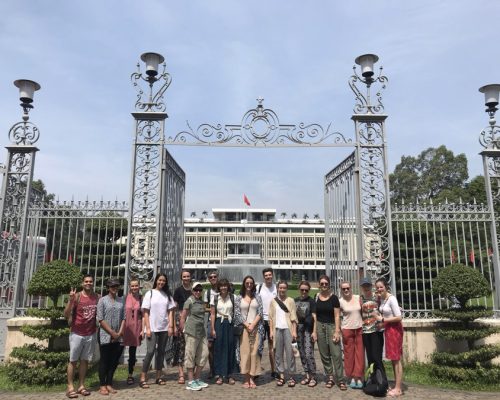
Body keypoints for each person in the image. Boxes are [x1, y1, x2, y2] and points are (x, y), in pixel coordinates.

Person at [64, 274, 99, 399]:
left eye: (90, 281)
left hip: (90, 334)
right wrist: (70, 300)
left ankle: (81, 386)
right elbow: (66, 314)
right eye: (86, 281)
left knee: (84, 361)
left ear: (93, 283)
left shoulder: (96, 297)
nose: (88, 283)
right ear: (82, 283)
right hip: (76, 333)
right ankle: (70, 387)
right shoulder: (77, 296)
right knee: (73, 361)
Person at [139, 273, 176, 388]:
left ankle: (158, 377)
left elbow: (170, 312)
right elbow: (145, 312)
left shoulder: (167, 295)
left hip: (164, 327)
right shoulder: (149, 293)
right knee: (150, 352)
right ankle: (143, 377)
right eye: (159, 280)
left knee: (161, 353)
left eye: (163, 281)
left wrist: (170, 326)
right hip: (152, 328)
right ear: (156, 281)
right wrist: (148, 328)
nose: (161, 282)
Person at [315, 275, 346, 391]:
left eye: (326, 284)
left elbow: (337, 315)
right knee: (324, 354)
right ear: (319, 285)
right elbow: (315, 315)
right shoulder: (316, 297)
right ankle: (330, 377)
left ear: (329, 285)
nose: (324, 285)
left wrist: (337, 331)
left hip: (332, 326)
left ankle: (340, 379)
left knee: (336, 354)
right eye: (322, 283)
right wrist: (315, 331)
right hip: (319, 326)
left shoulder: (334, 298)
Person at [375, 277, 404, 397]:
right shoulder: (382, 299)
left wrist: (382, 319)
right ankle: (396, 385)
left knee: (396, 359)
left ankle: (398, 388)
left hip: (395, 330)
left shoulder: (392, 299)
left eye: (381, 287)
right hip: (388, 330)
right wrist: (382, 323)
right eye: (377, 287)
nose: (379, 289)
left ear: (386, 286)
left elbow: (398, 317)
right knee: (393, 359)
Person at [234, 275, 265, 388]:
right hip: (244, 329)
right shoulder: (239, 297)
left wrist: (253, 325)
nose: (249, 285)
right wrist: (247, 325)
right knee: (245, 353)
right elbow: (237, 314)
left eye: (251, 283)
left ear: (253, 285)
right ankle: (246, 378)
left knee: (254, 353)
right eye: (247, 283)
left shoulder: (258, 297)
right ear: (244, 284)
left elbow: (260, 312)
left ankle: (252, 377)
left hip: (256, 328)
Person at [97, 278, 125, 395]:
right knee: (104, 360)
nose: (114, 288)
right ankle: (102, 385)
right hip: (105, 335)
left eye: (116, 286)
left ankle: (109, 383)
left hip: (118, 336)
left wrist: (119, 333)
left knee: (114, 361)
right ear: (108, 288)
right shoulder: (102, 301)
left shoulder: (121, 301)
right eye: (112, 286)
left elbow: (124, 318)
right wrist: (112, 332)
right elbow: (100, 318)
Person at [180, 282, 210, 391]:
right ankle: (191, 381)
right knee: (190, 355)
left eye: (200, 290)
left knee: (204, 354)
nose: (198, 292)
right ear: (192, 291)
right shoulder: (189, 301)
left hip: (201, 332)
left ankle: (197, 378)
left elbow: (209, 310)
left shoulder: (201, 302)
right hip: (191, 331)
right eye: (196, 290)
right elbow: (183, 317)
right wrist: (184, 330)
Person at [269, 280, 298, 387]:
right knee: (278, 353)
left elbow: (294, 317)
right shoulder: (273, 301)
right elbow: (271, 318)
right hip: (277, 329)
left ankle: (291, 376)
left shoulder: (290, 300)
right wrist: (271, 331)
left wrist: (294, 331)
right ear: (277, 288)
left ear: (286, 289)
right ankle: (281, 375)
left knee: (290, 353)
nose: (282, 289)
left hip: (288, 329)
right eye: (280, 288)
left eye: (284, 288)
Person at [210, 278, 237, 385]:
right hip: (219, 323)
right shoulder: (215, 298)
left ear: (228, 286)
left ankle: (230, 374)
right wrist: (212, 328)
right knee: (219, 348)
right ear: (219, 287)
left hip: (229, 323)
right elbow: (212, 314)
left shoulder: (233, 297)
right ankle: (219, 375)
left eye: (225, 285)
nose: (223, 288)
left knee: (230, 348)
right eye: (221, 286)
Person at [339, 281, 364, 389]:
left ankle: (358, 376)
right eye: (343, 289)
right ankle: (352, 377)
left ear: (351, 288)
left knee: (359, 354)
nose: (346, 290)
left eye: (347, 288)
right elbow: (337, 316)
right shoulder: (340, 301)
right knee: (349, 355)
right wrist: (340, 328)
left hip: (359, 328)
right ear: (341, 290)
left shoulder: (358, 298)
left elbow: (363, 312)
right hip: (347, 329)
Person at [294, 280, 317, 387]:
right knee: (302, 353)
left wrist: (314, 331)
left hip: (308, 329)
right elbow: (293, 318)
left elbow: (315, 317)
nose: (304, 292)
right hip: (298, 329)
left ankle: (313, 376)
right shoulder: (295, 300)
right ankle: (307, 375)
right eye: (302, 290)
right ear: (299, 290)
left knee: (308, 353)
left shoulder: (312, 301)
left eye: (306, 290)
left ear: (308, 291)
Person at [359, 278, 385, 375]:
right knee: (369, 357)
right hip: (365, 331)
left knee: (377, 357)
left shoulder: (377, 297)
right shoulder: (360, 299)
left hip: (376, 331)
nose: (366, 288)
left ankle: (382, 380)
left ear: (371, 286)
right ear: (361, 287)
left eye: (368, 285)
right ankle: (373, 379)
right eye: (364, 286)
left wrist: (383, 322)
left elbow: (385, 309)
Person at [256, 268, 278, 379]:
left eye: (270, 275)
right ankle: (256, 370)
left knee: (272, 346)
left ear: (272, 275)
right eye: (266, 275)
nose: (268, 277)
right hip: (260, 320)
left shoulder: (277, 288)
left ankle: (274, 370)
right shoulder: (259, 288)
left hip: (272, 321)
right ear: (263, 276)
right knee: (258, 346)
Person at [172, 270, 192, 384]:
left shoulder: (195, 289)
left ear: (190, 277)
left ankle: (190, 371)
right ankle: (180, 373)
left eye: (188, 276)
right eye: (184, 276)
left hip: (192, 321)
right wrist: (175, 324)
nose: (186, 278)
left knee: (192, 348)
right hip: (181, 321)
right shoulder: (178, 290)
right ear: (181, 278)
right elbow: (175, 308)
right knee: (181, 347)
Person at [123, 277, 143, 385]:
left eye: (136, 285)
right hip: (125, 327)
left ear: (139, 286)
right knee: (117, 351)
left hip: (136, 328)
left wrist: (143, 329)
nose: (134, 287)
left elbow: (144, 315)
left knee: (132, 353)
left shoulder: (141, 298)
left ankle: (130, 374)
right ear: (129, 287)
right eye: (132, 285)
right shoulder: (125, 298)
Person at [204, 271, 219, 379]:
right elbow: (205, 307)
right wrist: (213, 309)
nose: (213, 278)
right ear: (208, 279)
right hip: (211, 320)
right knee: (210, 345)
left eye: (214, 276)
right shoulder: (208, 293)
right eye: (211, 277)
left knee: (221, 346)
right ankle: (212, 369)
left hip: (222, 320)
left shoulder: (223, 289)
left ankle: (220, 369)